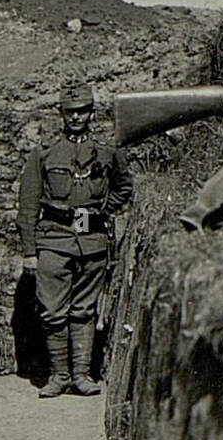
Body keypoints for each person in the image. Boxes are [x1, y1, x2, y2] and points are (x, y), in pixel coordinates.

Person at [15, 83, 134, 397]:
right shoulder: (44, 153)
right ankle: (59, 375)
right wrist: (30, 252)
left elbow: (123, 187)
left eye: (83, 111)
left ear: (92, 113)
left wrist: (101, 212)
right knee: (53, 311)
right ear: (61, 114)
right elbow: (28, 206)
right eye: (71, 112)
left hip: (93, 242)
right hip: (53, 239)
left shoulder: (108, 151)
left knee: (83, 310)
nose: (77, 117)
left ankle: (81, 375)